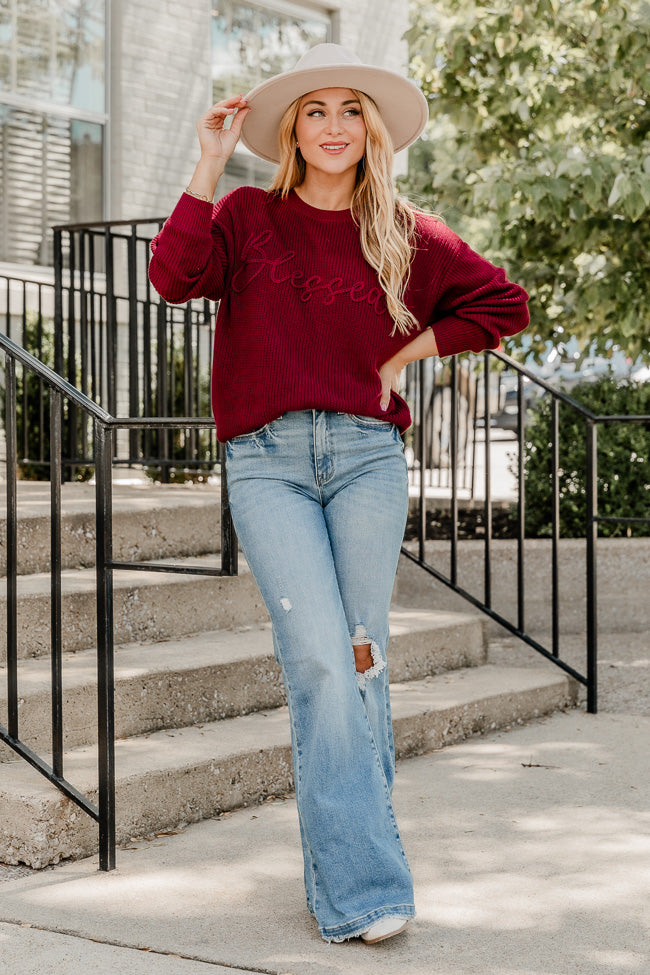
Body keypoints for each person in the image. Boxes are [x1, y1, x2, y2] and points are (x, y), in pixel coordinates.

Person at [149, 43, 529, 945]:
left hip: (366, 457)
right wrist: (207, 161)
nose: (332, 126)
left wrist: (403, 354)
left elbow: (503, 305)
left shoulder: (406, 231)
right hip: (268, 460)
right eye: (314, 111)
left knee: (360, 659)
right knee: (322, 656)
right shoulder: (245, 215)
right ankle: (366, 885)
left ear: (371, 130)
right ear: (291, 131)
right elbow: (171, 277)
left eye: (349, 110)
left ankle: (352, 876)